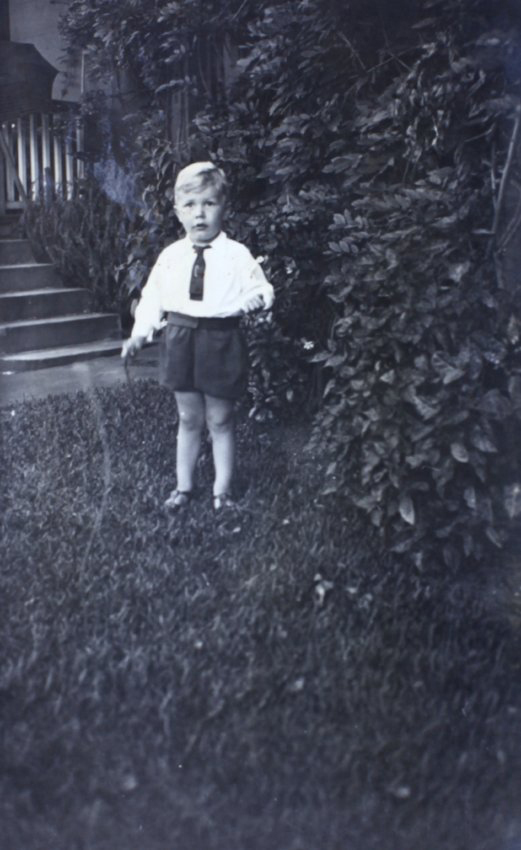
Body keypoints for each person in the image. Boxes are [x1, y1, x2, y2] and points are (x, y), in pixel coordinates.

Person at [121, 162, 274, 510]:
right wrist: (140, 334)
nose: (199, 214)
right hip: (179, 339)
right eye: (190, 206)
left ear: (223, 206)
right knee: (189, 417)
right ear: (177, 211)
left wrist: (258, 298)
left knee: (220, 418)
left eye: (208, 203)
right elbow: (152, 299)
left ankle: (222, 491)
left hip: (220, 339)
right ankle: (184, 487)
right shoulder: (171, 257)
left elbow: (262, 288)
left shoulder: (237, 255)